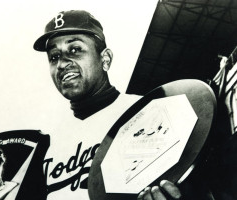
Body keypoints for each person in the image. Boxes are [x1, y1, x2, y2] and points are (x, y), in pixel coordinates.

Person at [33, 10, 182, 200]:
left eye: (75, 49)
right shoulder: (50, 145)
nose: (62, 64)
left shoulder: (147, 112)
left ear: (105, 59)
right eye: (54, 56)